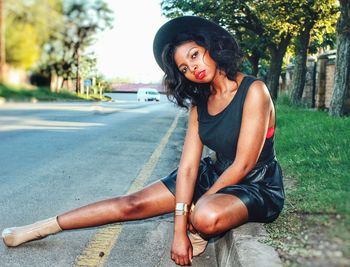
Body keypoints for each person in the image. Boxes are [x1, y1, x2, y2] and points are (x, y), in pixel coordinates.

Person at [1, 16, 285, 266]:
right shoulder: (200, 102)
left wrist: (193, 213)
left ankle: (200, 228)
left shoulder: (254, 90)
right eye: (184, 68)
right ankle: (40, 227)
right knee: (132, 204)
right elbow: (188, 168)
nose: (193, 68)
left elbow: (244, 163)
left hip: (255, 182)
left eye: (195, 55)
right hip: (216, 173)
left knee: (206, 217)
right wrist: (178, 231)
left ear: (210, 46)